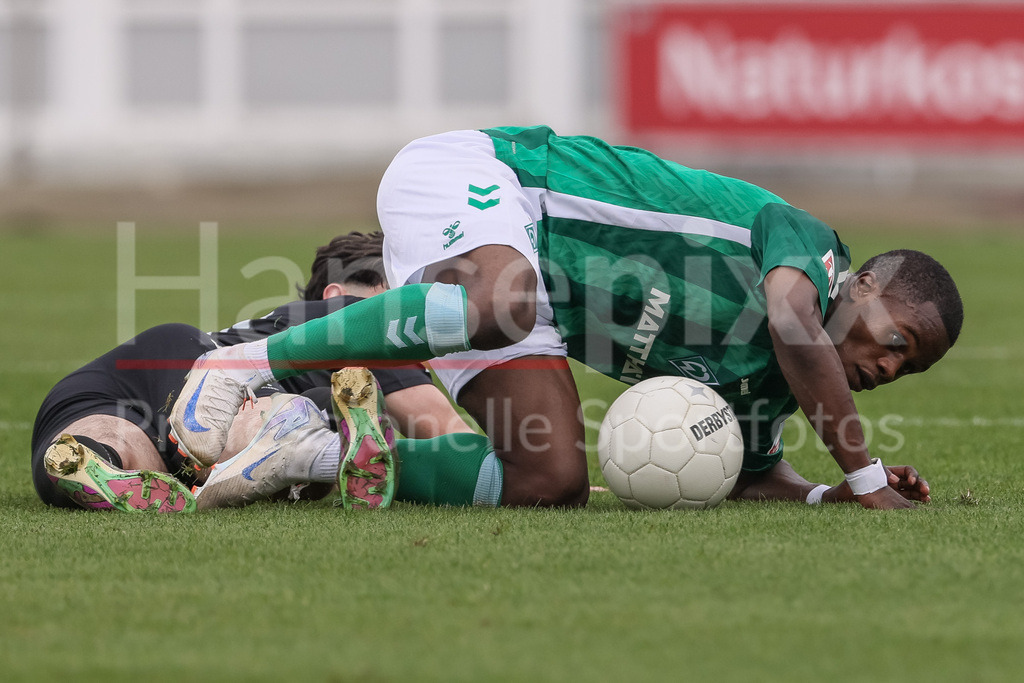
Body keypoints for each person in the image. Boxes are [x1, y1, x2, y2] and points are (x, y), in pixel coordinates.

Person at [169, 125, 963, 511]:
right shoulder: (809, 249)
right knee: (502, 299)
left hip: (519, 298)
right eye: (899, 339)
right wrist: (865, 477)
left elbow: (753, 472)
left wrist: (825, 495)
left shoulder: (771, 385)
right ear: (861, 285)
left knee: (550, 481)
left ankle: (307, 451)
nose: (889, 367)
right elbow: (794, 325)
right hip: (493, 181)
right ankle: (244, 364)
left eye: (908, 368)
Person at [32, 232, 472, 512]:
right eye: (397, 290)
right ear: (340, 293)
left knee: (114, 444)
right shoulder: (359, 319)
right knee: (266, 422)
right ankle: (303, 450)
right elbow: (443, 429)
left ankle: (93, 461)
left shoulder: (275, 328)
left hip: (121, 376)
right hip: (209, 379)